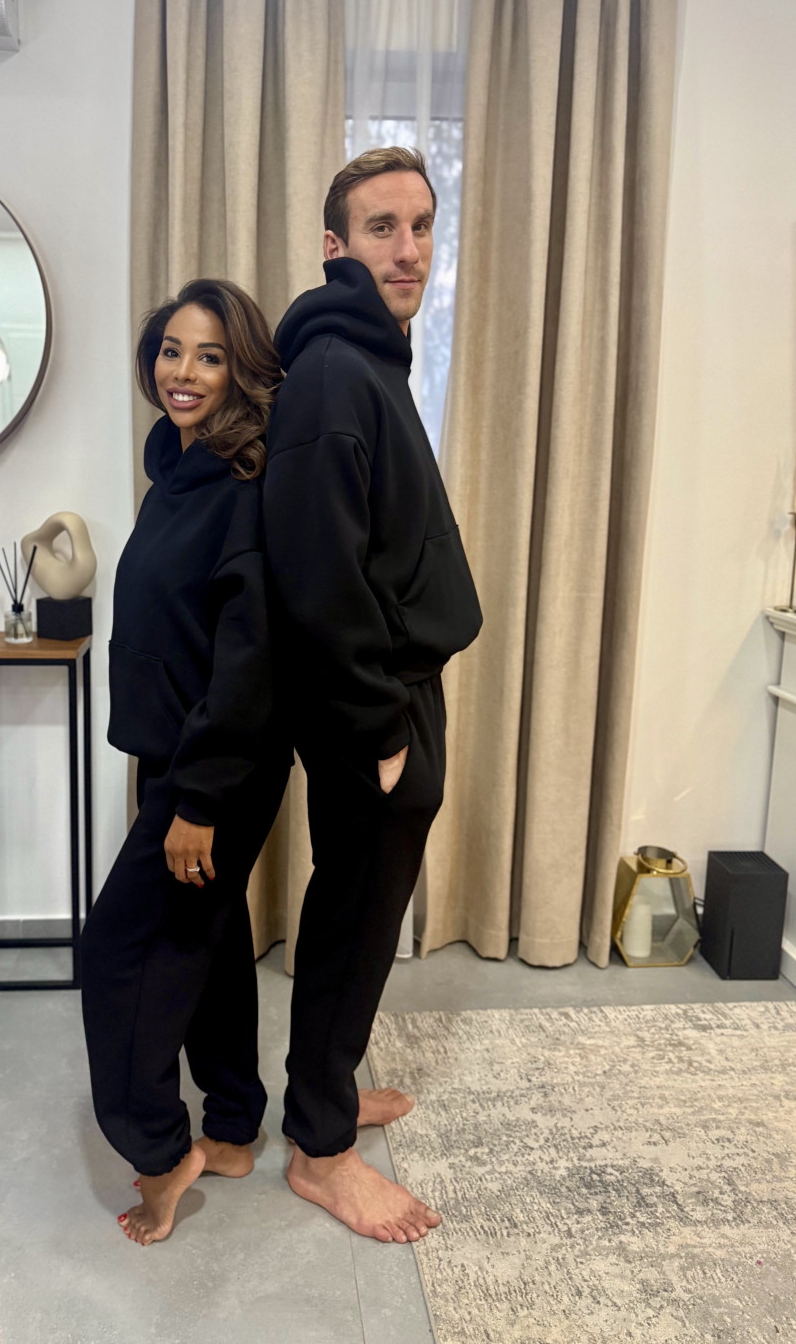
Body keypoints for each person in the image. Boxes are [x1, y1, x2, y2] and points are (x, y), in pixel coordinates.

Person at [264, 147, 483, 1244]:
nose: (409, 250)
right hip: (370, 703)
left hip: (394, 690)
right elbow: (317, 575)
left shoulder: (370, 360)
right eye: (382, 227)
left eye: (422, 226)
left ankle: (330, 1090)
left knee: (360, 912)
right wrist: (381, 729)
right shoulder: (333, 374)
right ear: (334, 245)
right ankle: (321, 1151)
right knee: (353, 918)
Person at [80, 279, 291, 1246]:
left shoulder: (244, 486)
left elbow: (250, 657)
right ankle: (235, 1126)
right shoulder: (176, 469)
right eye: (172, 350)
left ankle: (162, 1153)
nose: (185, 371)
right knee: (207, 936)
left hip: (213, 768)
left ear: (241, 371)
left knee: (118, 951)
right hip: (173, 748)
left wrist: (198, 800)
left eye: (210, 356)